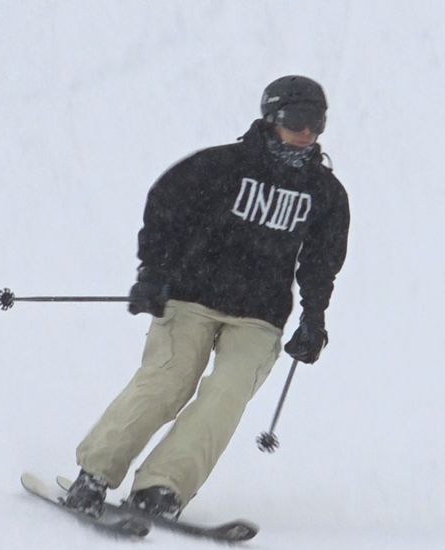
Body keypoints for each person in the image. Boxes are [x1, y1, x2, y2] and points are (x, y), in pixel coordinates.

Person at [63, 75, 350, 519]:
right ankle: (94, 474)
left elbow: (320, 261)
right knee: (168, 381)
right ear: (272, 119)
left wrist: (314, 317)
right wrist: (152, 273)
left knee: (226, 396)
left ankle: (161, 489)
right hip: (192, 296)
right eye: (297, 120)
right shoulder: (222, 166)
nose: (307, 133)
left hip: (259, 315)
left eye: (317, 123)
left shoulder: (325, 194)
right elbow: (165, 208)